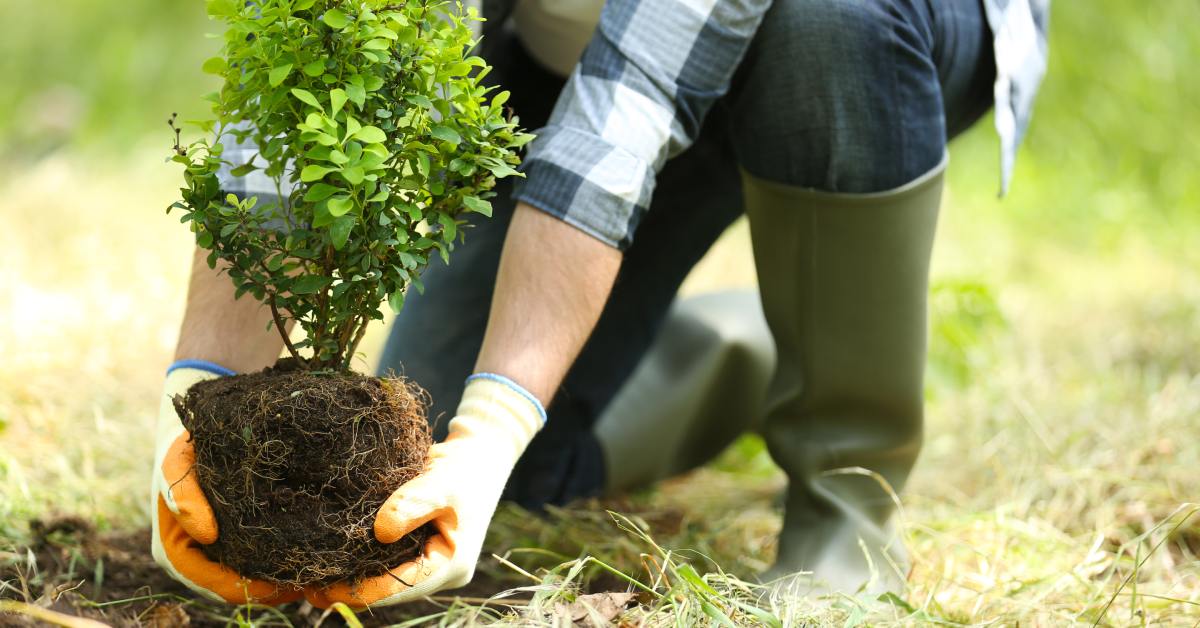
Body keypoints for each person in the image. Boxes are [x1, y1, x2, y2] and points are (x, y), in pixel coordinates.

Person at [151, 0, 1049, 608]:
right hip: (557, 46)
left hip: (863, 43)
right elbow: (325, 40)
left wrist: (496, 422)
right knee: (450, 471)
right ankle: (749, 348)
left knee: (827, 20)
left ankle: (847, 496)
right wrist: (196, 400)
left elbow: (633, 95)